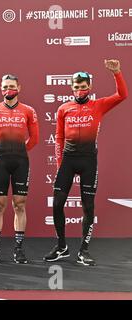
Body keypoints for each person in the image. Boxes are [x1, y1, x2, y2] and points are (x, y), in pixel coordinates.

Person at [44, 59, 128, 266]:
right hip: (68, 160)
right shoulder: (64, 108)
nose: (79, 90)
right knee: (56, 204)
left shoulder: (98, 105)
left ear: (89, 87)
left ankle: (84, 250)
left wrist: (117, 73)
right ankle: (62, 246)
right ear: (71, 88)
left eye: (83, 87)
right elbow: (59, 137)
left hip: (89, 160)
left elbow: (122, 95)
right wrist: (59, 163)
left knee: (88, 206)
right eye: (76, 87)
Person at [0, 74, 39, 264]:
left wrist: (21, 151)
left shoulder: (29, 110)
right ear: (1, 89)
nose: (9, 90)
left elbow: (35, 139)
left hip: (21, 162)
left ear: (19, 88)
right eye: (5, 86)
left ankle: (18, 249)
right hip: (0, 161)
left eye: (12, 86)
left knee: (20, 204)